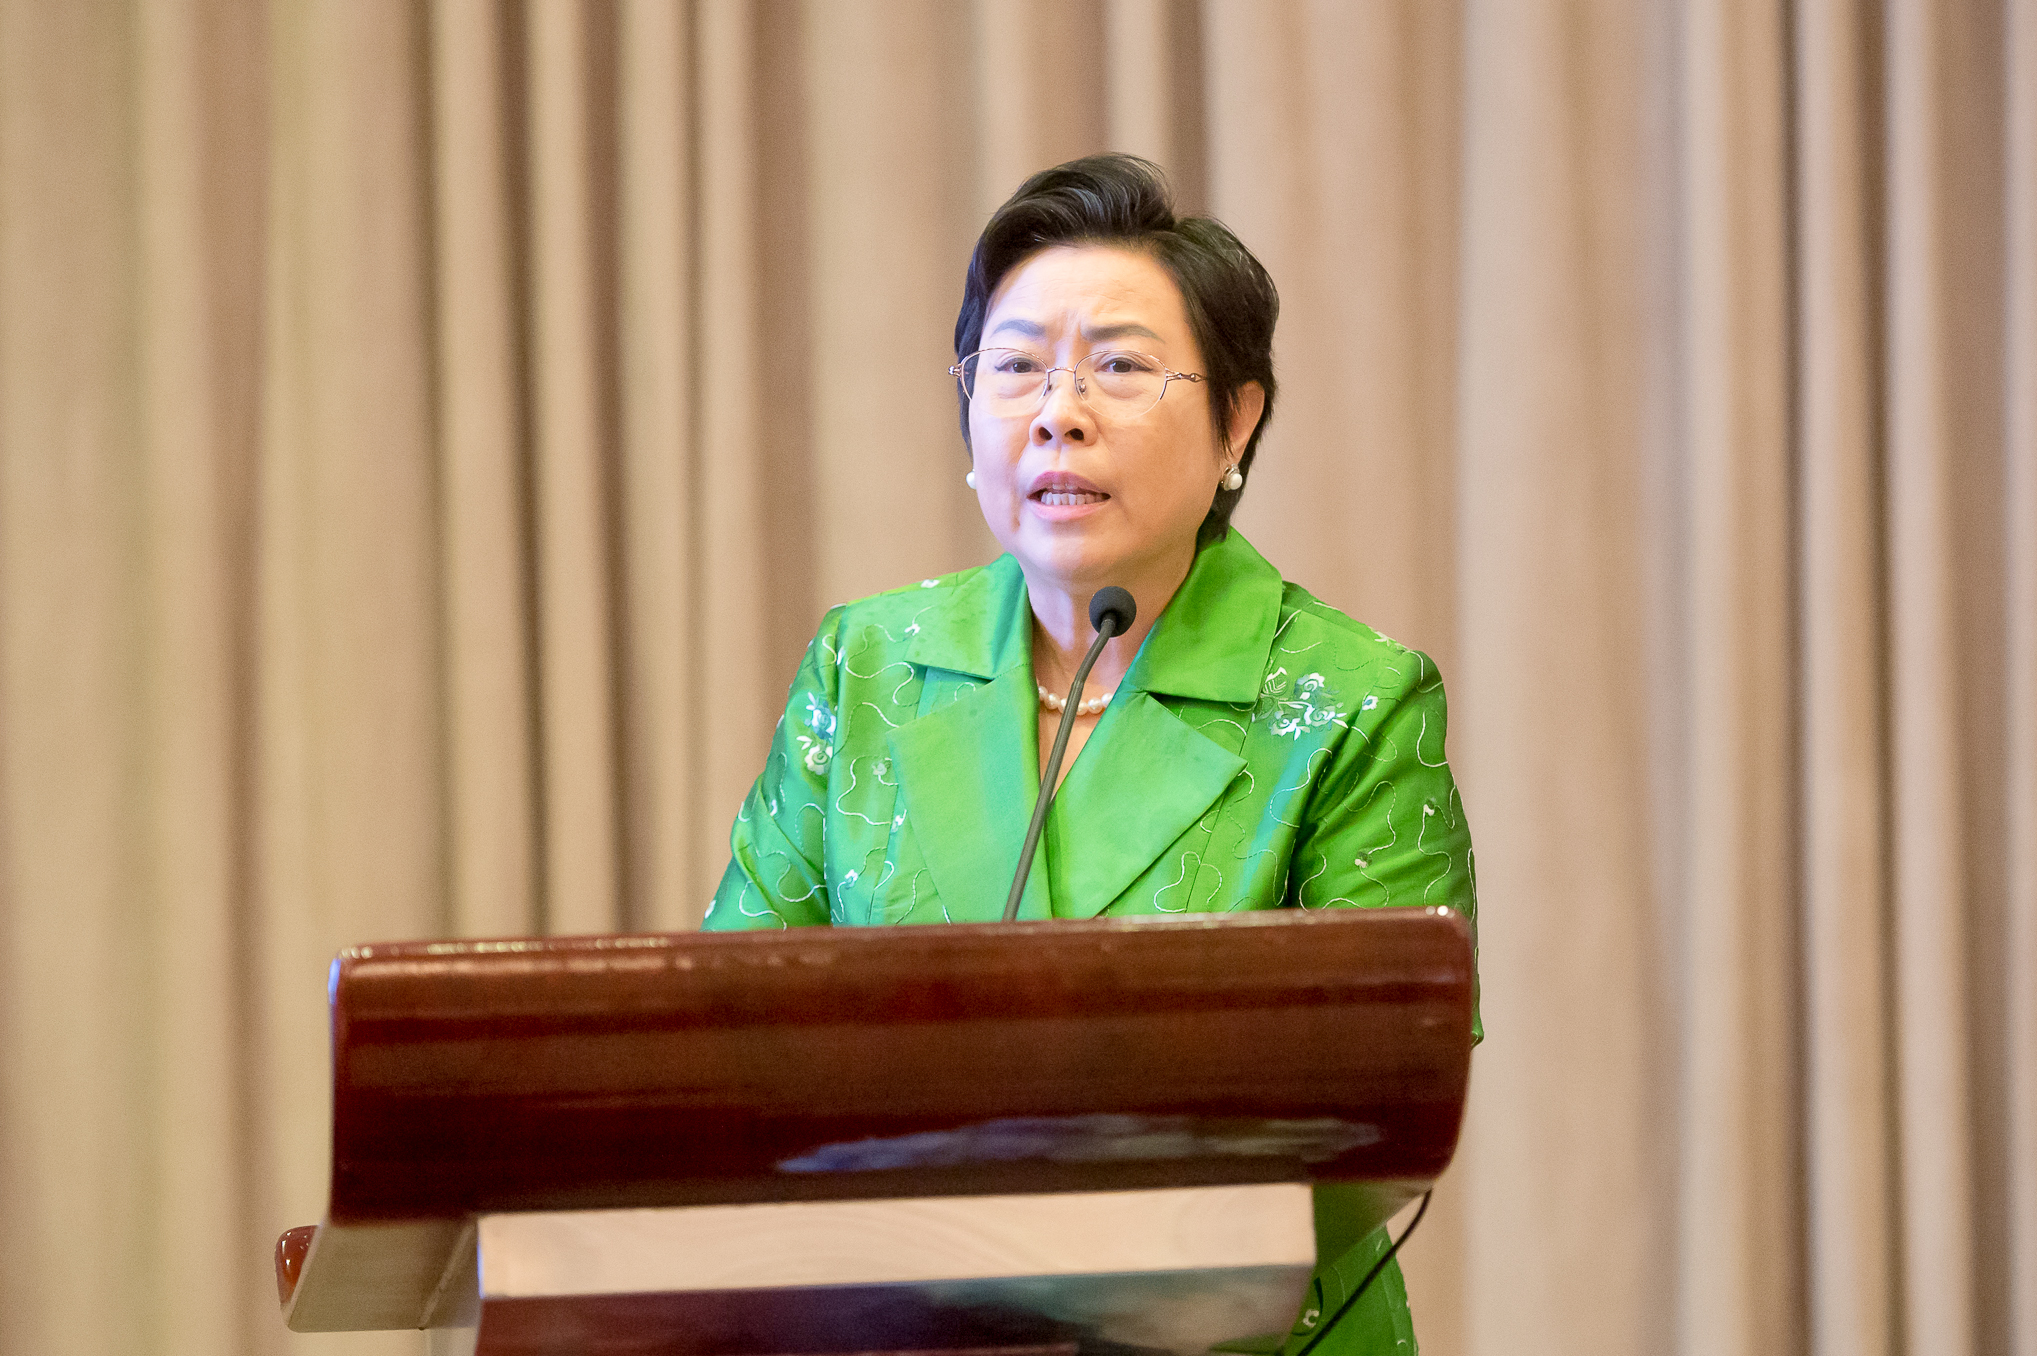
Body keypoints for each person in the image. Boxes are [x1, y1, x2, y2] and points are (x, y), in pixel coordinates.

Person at [705, 154, 1479, 1356]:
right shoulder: (868, 667)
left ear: (1236, 420)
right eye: (1014, 367)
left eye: (1118, 367)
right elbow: (730, 1032)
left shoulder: (1349, 701)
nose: (1057, 411)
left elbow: (1389, 1101)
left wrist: (1064, 1285)